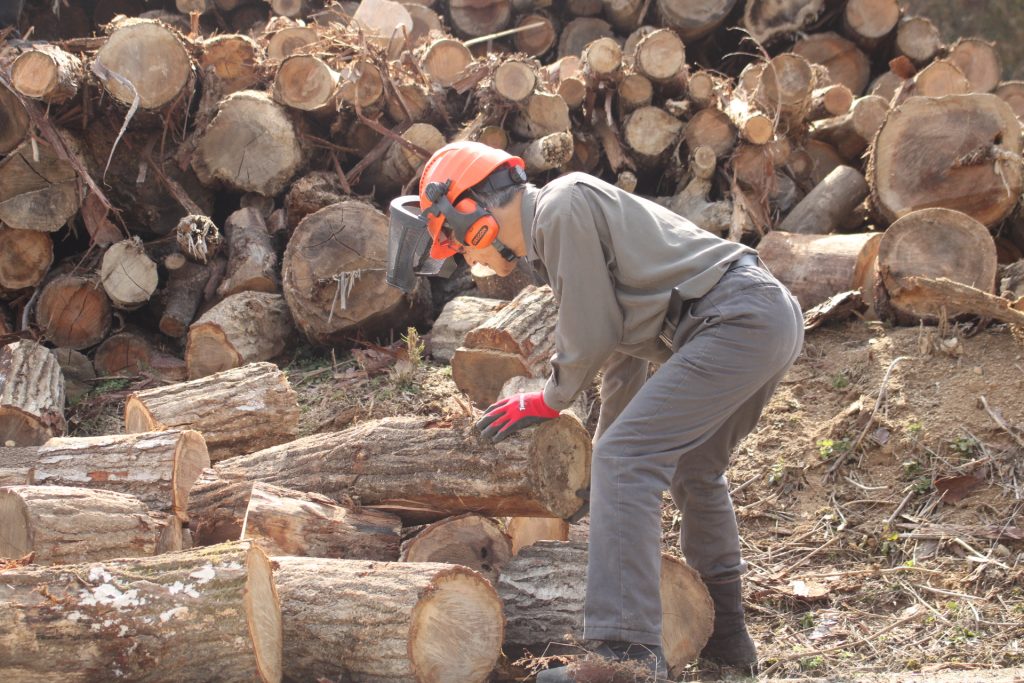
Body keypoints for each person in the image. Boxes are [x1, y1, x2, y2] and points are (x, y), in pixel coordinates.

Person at [386, 141, 804, 681]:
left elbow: (593, 335)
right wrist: (603, 461)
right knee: (695, 472)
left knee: (628, 459)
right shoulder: (558, 227)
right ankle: (728, 640)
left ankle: (623, 656)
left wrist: (550, 399)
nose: (466, 259)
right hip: (760, 319)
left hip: (736, 320)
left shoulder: (560, 207)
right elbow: (622, 351)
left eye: (457, 246)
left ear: (472, 214)